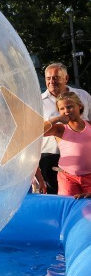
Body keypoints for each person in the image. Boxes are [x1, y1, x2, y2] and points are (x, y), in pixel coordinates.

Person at [39, 63, 91, 194]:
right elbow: (34, 131)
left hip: (86, 164)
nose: (51, 81)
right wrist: (56, 119)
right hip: (51, 157)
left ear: (66, 78)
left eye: (56, 77)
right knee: (59, 200)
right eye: (48, 78)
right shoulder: (38, 101)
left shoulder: (83, 96)